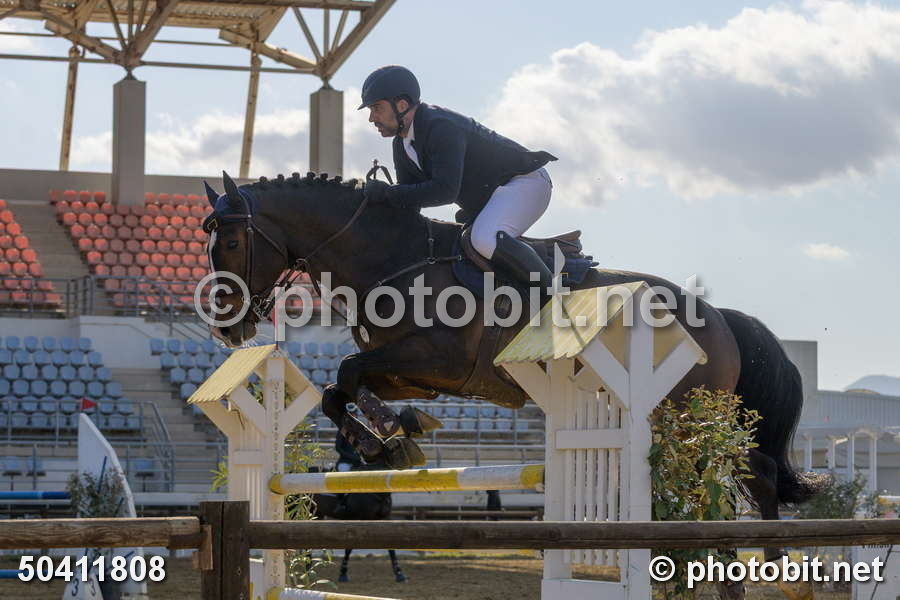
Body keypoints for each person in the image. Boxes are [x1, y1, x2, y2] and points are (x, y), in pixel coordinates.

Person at [359, 65, 558, 291]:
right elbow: (409, 201)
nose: (371, 118)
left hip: (525, 183)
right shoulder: (402, 144)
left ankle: (551, 297)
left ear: (402, 105)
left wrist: (388, 193)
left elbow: (444, 191)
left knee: (484, 239)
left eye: (376, 108)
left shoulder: (440, 126)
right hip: (495, 196)